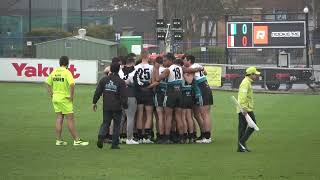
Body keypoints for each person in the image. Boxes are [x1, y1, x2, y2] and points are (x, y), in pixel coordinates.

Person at [45, 56, 89, 146]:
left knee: (59, 118)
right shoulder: (67, 72)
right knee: (70, 119)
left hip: (55, 98)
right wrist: (71, 96)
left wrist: (51, 94)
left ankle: (59, 140)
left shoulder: (54, 71)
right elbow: (72, 84)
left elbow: (47, 83)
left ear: (60, 62)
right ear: (67, 63)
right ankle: (77, 140)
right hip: (64, 98)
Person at [93, 62, 128, 149]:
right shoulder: (121, 82)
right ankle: (114, 144)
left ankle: (101, 136)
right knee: (116, 125)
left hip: (107, 106)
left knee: (106, 123)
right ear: (118, 70)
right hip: (117, 107)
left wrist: (94, 102)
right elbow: (123, 95)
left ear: (110, 69)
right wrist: (125, 105)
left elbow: (98, 92)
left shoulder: (104, 80)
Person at [185, 55, 213, 144]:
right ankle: (205, 135)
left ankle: (207, 137)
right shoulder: (198, 65)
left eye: (185, 60)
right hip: (207, 88)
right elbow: (205, 73)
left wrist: (185, 75)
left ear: (189, 61)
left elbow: (189, 81)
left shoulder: (191, 68)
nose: (184, 62)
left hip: (201, 91)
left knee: (204, 115)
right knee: (206, 114)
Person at [237, 67, 260, 152]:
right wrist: (244, 108)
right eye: (255, 74)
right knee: (253, 126)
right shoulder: (246, 83)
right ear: (251, 74)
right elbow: (242, 96)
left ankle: (240, 147)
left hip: (244, 108)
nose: (257, 76)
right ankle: (241, 143)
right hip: (245, 109)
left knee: (242, 128)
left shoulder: (247, 82)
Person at [134, 50, 154, 143]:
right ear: (148, 56)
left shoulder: (136, 67)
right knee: (149, 115)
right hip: (148, 91)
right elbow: (153, 80)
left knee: (140, 114)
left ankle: (139, 137)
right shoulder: (151, 67)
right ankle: (146, 137)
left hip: (139, 91)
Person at [118, 57, 140, 145]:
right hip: (130, 95)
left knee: (121, 118)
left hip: (120, 95)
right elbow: (137, 84)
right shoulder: (134, 70)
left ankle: (117, 137)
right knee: (130, 118)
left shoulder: (120, 70)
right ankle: (129, 138)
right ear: (133, 62)